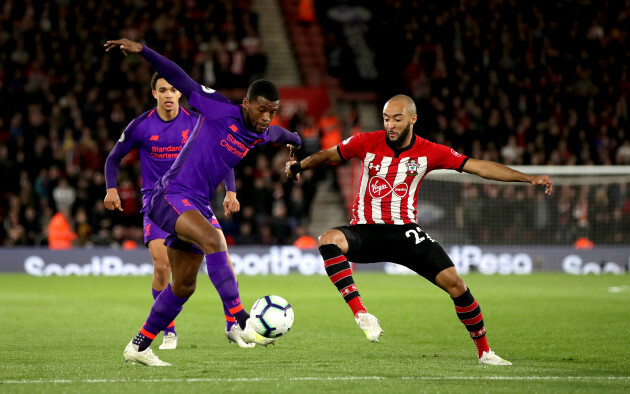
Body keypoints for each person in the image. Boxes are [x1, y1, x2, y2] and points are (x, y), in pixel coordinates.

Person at [285, 94, 553, 365]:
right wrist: (299, 165)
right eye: (386, 119)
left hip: (405, 233)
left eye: (397, 119)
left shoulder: (430, 151)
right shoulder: (365, 141)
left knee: (456, 284)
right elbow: (330, 154)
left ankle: (485, 352)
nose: (390, 125)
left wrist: (527, 178)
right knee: (328, 239)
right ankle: (361, 313)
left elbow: (479, 167)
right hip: (367, 231)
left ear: (413, 119)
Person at [104, 38, 302, 366]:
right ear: (246, 103)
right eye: (261, 109)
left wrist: (296, 144)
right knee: (214, 239)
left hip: (196, 204)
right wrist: (144, 51)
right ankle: (240, 322)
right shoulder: (219, 108)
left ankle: (138, 346)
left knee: (183, 285)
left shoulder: (260, 131)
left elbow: (281, 135)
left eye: (272, 112)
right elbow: (181, 78)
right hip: (168, 195)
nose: (266, 117)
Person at [103, 72, 249, 350]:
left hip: (195, 201)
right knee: (162, 265)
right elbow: (113, 157)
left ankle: (233, 325)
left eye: (173, 89)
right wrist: (111, 188)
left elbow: (225, 155)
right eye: (162, 90)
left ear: (180, 93)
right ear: (154, 94)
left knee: (223, 258)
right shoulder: (141, 125)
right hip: (158, 203)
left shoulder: (196, 122)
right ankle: (168, 330)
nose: (169, 94)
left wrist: (231, 191)